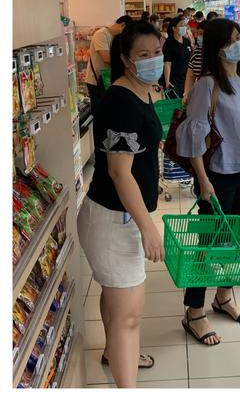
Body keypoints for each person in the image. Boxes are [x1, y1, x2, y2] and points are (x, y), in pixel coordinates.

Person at [77, 21, 167, 386]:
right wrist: (148, 227)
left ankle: (112, 351)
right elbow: (119, 172)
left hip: (118, 217)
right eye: (143, 56)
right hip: (115, 222)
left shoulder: (143, 90)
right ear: (126, 60)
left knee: (115, 304)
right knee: (129, 317)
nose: (154, 60)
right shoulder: (121, 101)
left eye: (157, 53)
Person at [175, 19, 240, 346]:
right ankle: (194, 312)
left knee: (233, 242)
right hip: (215, 177)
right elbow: (194, 134)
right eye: (231, 40)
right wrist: (203, 180)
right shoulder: (207, 86)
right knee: (206, 245)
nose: (238, 44)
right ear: (216, 47)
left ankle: (223, 296)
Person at [84, 15, 134, 110]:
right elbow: (106, 58)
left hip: (108, 80)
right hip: (97, 81)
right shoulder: (101, 34)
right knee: (100, 112)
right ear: (122, 25)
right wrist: (127, 64)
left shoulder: (116, 37)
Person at [161, 16, 192, 97]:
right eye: (181, 25)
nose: (184, 27)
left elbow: (190, 60)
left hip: (186, 79)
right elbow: (167, 64)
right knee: (176, 106)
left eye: (185, 25)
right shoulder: (169, 43)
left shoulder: (186, 41)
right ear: (174, 28)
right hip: (174, 80)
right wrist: (167, 81)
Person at [183, 21, 207, 103]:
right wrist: (186, 93)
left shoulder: (219, 53)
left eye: (201, 34)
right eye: (198, 34)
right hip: (200, 96)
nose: (198, 37)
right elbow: (190, 76)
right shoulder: (197, 51)